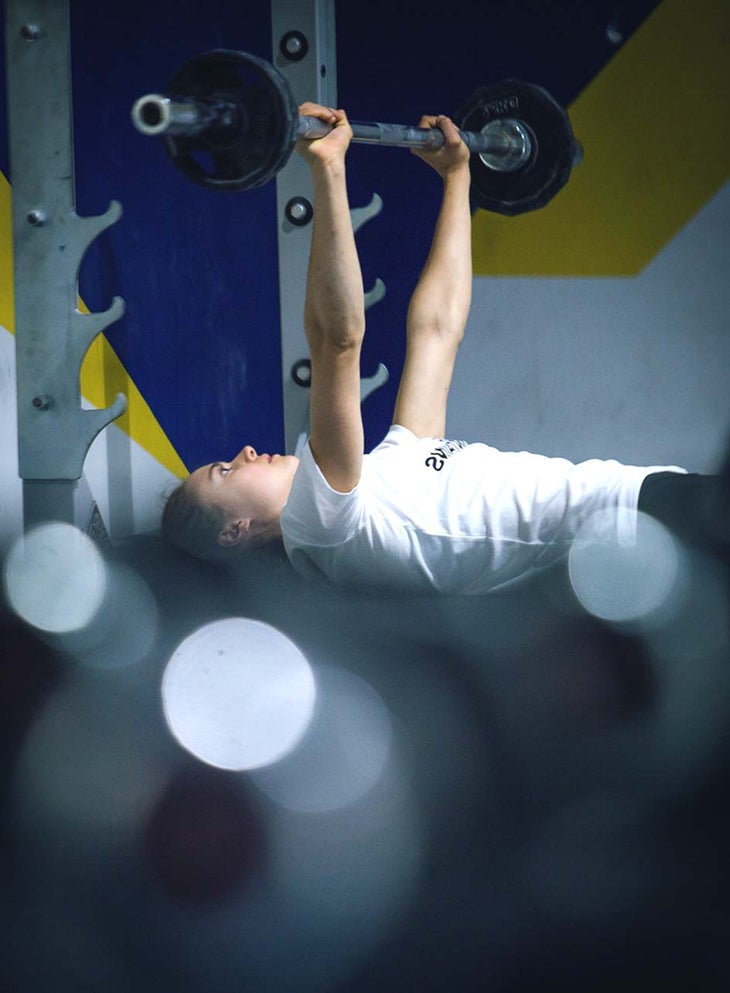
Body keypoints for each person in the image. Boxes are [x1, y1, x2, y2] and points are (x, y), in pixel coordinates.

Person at [162, 102, 727, 594]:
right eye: (224, 472)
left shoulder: (381, 481)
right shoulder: (322, 531)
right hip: (636, 530)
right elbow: (337, 341)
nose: (244, 452)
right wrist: (328, 169)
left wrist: (459, 180)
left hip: (646, 508)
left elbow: (437, 329)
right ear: (235, 531)